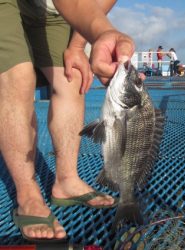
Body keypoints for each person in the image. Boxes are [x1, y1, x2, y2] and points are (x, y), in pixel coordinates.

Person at [0, 0, 134, 242]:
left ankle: (67, 180)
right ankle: (28, 196)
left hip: (53, 10)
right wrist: (102, 31)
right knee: (18, 78)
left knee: (72, 76)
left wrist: (78, 45)